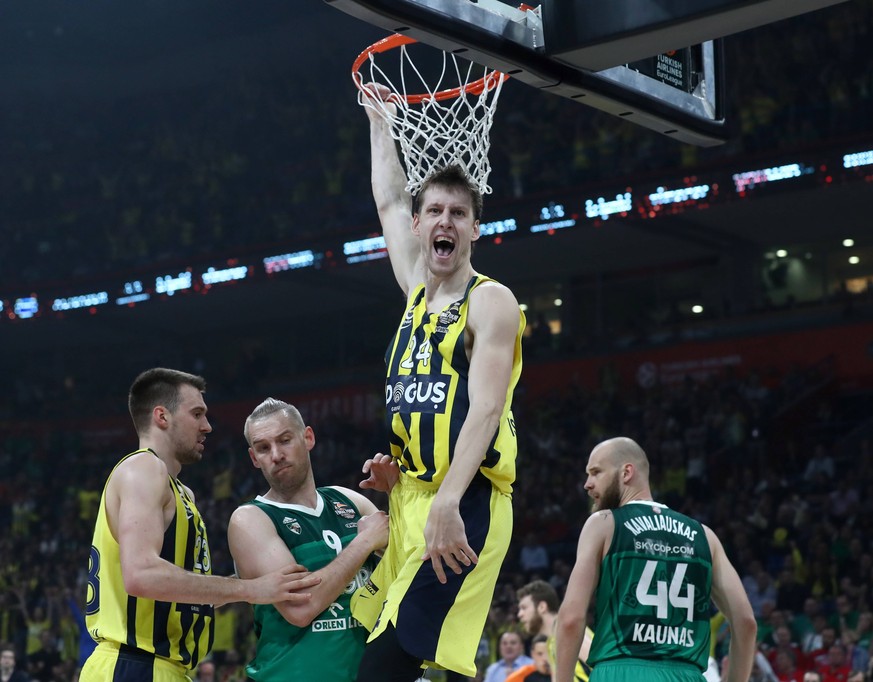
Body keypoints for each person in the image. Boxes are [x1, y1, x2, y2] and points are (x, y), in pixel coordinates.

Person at [351, 84, 526, 682]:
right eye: (435, 212)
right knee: (383, 655)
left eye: (459, 213)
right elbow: (388, 201)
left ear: (475, 229)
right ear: (421, 226)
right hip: (412, 497)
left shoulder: (492, 302)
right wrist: (381, 124)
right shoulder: (415, 293)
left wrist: (447, 497)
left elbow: (484, 409)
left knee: (383, 670)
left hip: (466, 498)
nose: (444, 222)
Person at [80, 368, 321, 682]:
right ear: (162, 416)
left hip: (162, 667)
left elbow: (183, 590)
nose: (207, 426)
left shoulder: (180, 491)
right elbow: (142, 575)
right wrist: (250, 589)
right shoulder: (143, 467)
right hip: (135, 665)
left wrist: (254, 574)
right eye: (197, 414)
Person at [554, 437, 757, 682]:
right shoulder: (705, 536)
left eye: (596, 472)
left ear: (626, 472)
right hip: (688, 675)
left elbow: (570, 619)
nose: (587, 484)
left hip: (622, 672)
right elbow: (746, 622)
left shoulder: (604, 524)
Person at [226, 398, 389, 681]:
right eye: (264, 448)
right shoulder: (250, 519)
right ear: (254, 459)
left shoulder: (349, 500)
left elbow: (411, 565)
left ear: (308, 438)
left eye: (285, 440)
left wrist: (398, 495)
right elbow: (300, 607)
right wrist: (364, 543)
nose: (276, 454)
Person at [516, 580, 593, 681]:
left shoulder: (567, 629)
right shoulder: (550, 643)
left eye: (524, 608)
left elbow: (604, 665)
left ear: (542, 607)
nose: (519, 614)